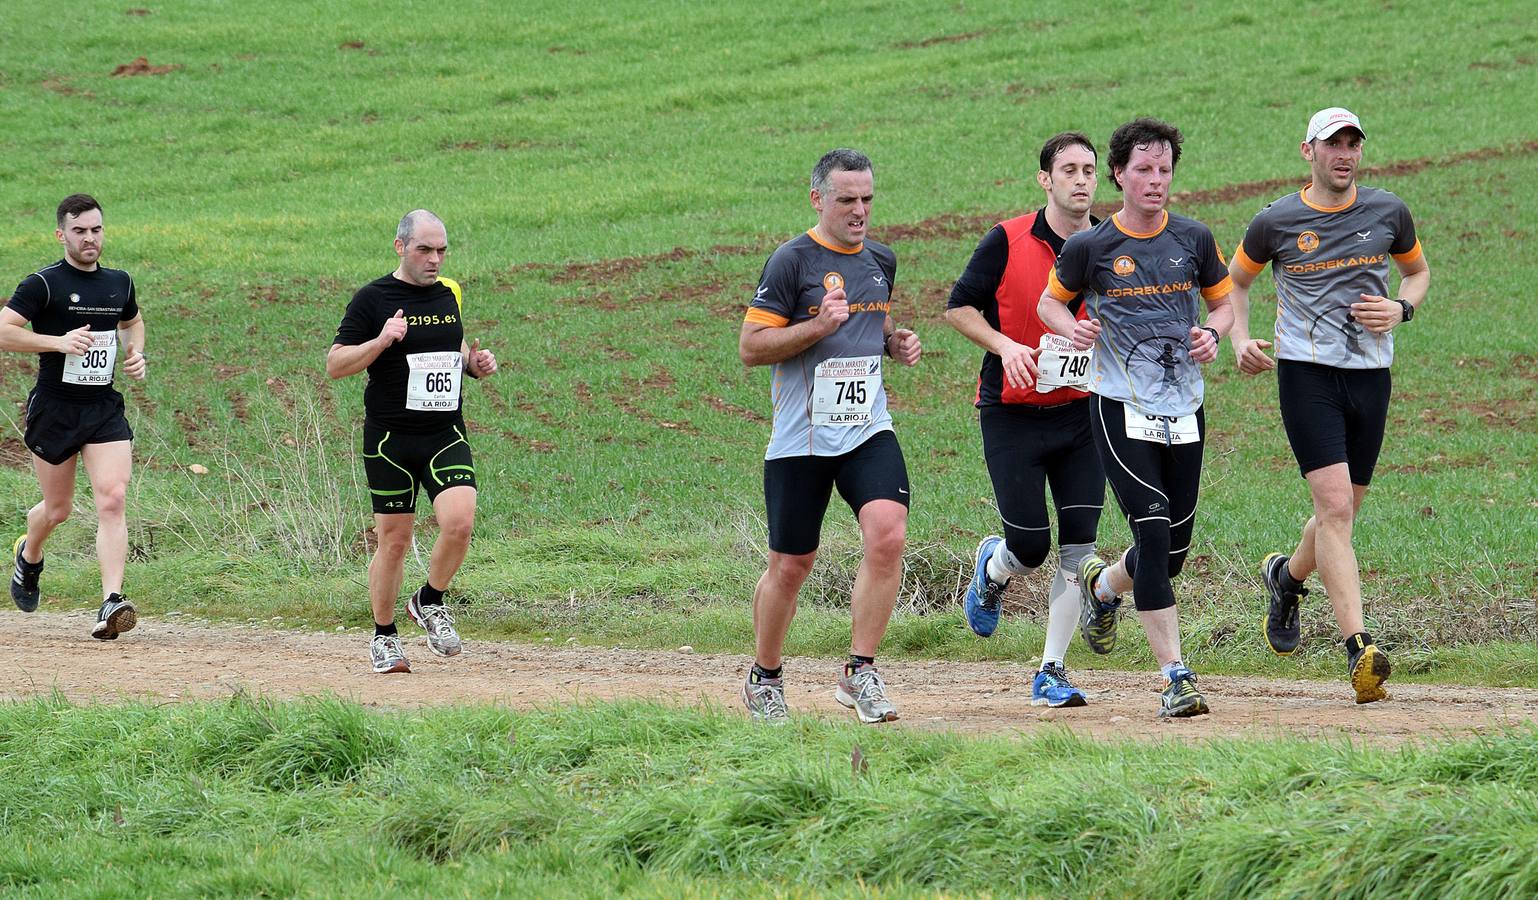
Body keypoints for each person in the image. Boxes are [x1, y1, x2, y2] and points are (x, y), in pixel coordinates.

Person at [1227, 108, 1430, 704]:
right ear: (1307, 152)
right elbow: (1237, 281)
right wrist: (1240, 338)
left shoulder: (1389, 211)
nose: (1344, 154)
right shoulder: (1277, 220)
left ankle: (1286, 579)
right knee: (1336, 508)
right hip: (1307, 374)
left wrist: (1401, 309)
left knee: (1341, 514)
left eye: (1352, 144)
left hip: (1371, 376)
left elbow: (1416, 274)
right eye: (1332, 144)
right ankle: (1360, 651)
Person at [1037, 118, 1234, 718]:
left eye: (1164, 170)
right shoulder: (1091, 246)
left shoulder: (1195, 238)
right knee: (1151, 530)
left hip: (1184, 407)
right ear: (1118, 175)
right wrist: (1074, 326)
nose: (1155, 181)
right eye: (1143, 170)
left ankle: (1103, 588)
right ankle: (1176, 677)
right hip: (1119, 404)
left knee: (1172, 550)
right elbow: (1049, 303)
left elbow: (1222, 304)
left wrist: (1212, 335)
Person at [738, 148, 922, 724]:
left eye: (867, 198)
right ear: (817, 198)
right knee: (792, 565)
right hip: (803, 438)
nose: (860, 210)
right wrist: (817, 325)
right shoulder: (791, 262)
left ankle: (859, 670)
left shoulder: (881, 259)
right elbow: (750, 347)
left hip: (868, 426)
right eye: (847, 199)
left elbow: (874, 317)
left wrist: (895, 341)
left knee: (888, 534)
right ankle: (764, 676)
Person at [945, 132, 1105, 708]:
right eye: (1069, 170)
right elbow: (958, 306)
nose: (1081, 180)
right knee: (1032, 545)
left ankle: (1050, 671)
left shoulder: (1111, 242)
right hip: (1012, 414)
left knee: (1078, 551)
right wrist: (1005, 346)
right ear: (1046, 179)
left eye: (1089, 170)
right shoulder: (1007, 239)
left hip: (1084, 416)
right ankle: (995, 566)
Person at [327, 209, 498, 674]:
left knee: (460, 524)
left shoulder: (450, 294)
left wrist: (474, 363)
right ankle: (384, 636)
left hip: (444, 433)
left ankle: (429, 600)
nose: (435, 259)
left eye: (442, 250)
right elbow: (336, 363)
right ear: (401, 247)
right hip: (390, 441)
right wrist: (382, 340)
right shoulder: (373, 298)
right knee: (395, 541)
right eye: (425, 249)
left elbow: (452, 347)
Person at [0, 194, 147, 640]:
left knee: (112, 497)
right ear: (61, 234)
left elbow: (132, 322)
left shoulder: (119, 282)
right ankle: (29, 553)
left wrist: (136, 352)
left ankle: (111, 601)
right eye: (80, 231)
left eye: (96, 230)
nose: (90, 239)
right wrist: (57, 343)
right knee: (58, 509)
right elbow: (4, 331)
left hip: (102, 409)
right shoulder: (43, 284)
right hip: (55, 409)